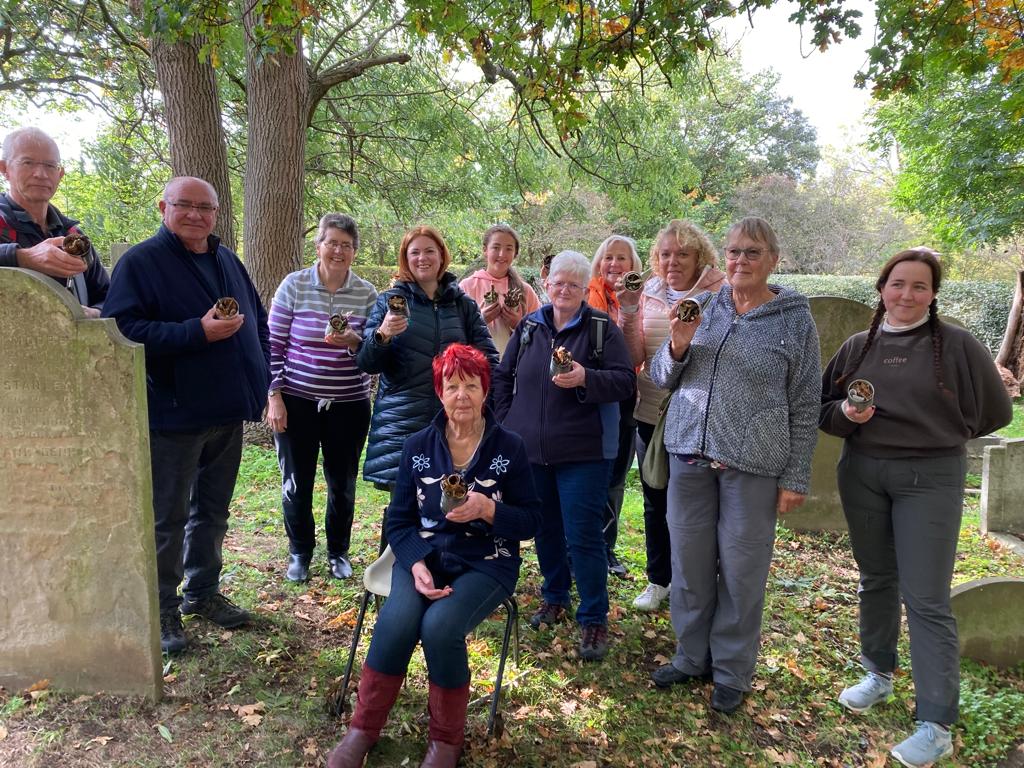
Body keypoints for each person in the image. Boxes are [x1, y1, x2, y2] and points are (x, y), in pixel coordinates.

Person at [820, 249, 1012, 767]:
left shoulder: (957, 346)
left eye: (919, 286)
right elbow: (825, 412)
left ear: (933, 294)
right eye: (897, 284)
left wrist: (934, 436)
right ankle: (877, 674)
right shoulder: (858, 347)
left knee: (925, 598)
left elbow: (997, 410)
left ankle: (935, 723)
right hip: (863, 473)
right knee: (875, 578)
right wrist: (846, 412)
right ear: (882, 288)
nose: (907, 295)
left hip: (930, 479)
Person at [326, 344, 541, 768]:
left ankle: (445, 742)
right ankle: (362, 730)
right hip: (424, 554)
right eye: (452, 385)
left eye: (472, 385)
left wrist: (489, 509)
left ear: (485, 392)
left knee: (441, 627)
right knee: (397, 620)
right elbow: (399, 521)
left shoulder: (509, 448)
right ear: (439, 392)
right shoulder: (418, 446)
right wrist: (417, 562)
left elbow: (532, 521)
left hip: (487, 559)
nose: (462, 395)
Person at [647, 217, 819, 713]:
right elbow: (662, 375)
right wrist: (678, 344)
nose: (740, 261)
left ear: (773, 260)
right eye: (734, 252)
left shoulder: (792, 318)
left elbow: (806, 401)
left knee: (742, 573)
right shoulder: (703, 306)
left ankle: (731, 671)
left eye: (752, 252)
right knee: (689, 567)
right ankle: (690, 655)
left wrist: (797, 474)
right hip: (690, 458)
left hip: (754, 464)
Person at [102, 176, 270, 655]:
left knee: (213, 511)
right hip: (174, 414)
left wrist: (260, 374)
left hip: (227, 411)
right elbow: (124, 330)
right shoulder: (141, 263)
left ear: (217, 214)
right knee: (168, 517)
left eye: (206, 208)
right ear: (163, 207)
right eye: (185, 206)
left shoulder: (226, 259)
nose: (196, 215)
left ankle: (202, 592)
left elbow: (255, 317)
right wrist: (195, 333)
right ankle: (162, 608)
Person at [492, 250, 636, 661]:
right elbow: (503, 376)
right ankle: (555, 597)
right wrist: (507, 422)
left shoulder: (600, 328)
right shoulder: (531, 327)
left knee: (584, 536)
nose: (564, 290)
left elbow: (625, 382)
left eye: (574, 284)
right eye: (558, 282)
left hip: (583, 454)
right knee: (545, 530)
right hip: (532, 453)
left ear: (584, 287)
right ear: (546, 283)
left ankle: (593, 618)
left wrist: (585, 378)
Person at [619, 220, 725, 612]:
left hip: (699, 416)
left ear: (700, 256)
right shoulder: (648, 293)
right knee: (655, 498)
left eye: (682, 253)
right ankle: (658, 579)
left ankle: (696, 582)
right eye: (665, 254)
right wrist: (629, 315)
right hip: (650, 408)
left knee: (698, 506)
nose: (672, 261)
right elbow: (634, 358)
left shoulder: (720, 293)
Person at [266, 213, 378, 582]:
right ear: (318, 246)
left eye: (346, 245)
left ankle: (338, 552)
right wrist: (274, 395)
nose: (338, 251)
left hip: (349, 405)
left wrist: (353, 343)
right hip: (296, 401)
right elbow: (273, 345)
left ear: (354, 252)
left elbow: (374, 353)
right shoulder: (294, 285)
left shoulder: (366, 294)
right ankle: (300, 551)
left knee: (342, 483)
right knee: (296, 481)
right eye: (332, 242)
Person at [357, 225, 498, 494]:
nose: (423, 258)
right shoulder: (389, 302)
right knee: (405, 512)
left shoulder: (462, 305)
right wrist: (382, 334)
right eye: (415, 252)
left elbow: (489, 360)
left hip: (455, 422)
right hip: (401, 425)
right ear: (406, 259)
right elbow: (367, 363)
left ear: (442, 256)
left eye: (429, 251)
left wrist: (484, 406)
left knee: (452, 504)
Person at [0, 127, 108, 316]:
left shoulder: (73, 236)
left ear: (60, 175)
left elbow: (108, 296)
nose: (40, 174)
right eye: (28, 162)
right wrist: (22, 258)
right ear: (4, 169)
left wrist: (95, 313)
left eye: (50, 166)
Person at [587, 235, 645, 578]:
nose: (614, 264)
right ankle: (578, 544)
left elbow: (632, 353)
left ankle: (606, 547)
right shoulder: (585, 295)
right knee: (584, 475)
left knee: (615, 478)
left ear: (633, 265)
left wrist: (629, 307)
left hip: (623, 396)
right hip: (586, 396)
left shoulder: (642, 300)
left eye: (621, 258)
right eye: (608, 257)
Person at [459, 224, 540, 357]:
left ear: (515, 254)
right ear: (485, 250)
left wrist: (518, 325)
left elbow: (541, 336)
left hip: (514, 370)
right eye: (496, 247)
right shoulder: (467, 286)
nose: (502, 254)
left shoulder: (525, 291)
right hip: (476, 369)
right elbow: (453, 333)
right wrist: (480, 321)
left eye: (509, 249)